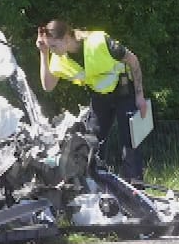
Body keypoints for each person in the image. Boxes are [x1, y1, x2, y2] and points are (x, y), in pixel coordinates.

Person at [36, 18, 148, 180]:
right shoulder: (59, 58)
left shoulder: (98, 42)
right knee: (91, 145)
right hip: (99, 97)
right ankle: (95, 186)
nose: (52, 50)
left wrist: (140, 96)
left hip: (124, 92)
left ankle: (135, 190)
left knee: (130, 144)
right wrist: (43, 53)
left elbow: (133, 60)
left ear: (67, 38)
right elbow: (47, 85)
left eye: (53, 46)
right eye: (50, 47)